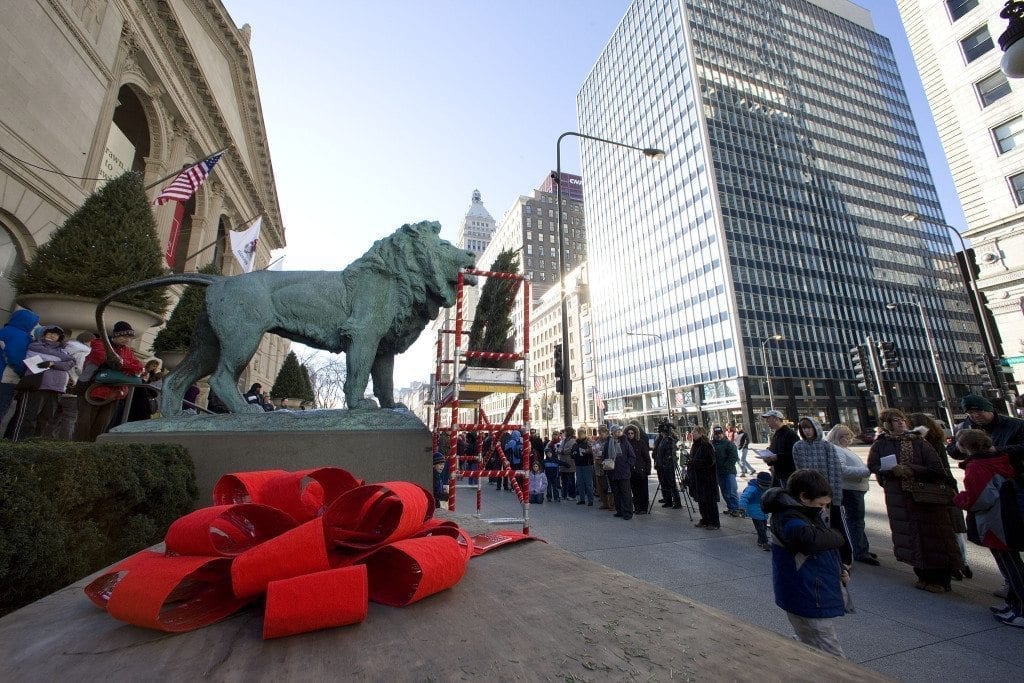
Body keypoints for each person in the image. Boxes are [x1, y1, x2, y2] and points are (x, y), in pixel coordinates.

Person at [868, 408, 962, 593]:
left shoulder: (919, 442)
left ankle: (941, 579)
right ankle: (922, 575)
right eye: (895, 421)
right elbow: (873, 465)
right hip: (899, 497)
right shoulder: (881, 444)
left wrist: (911, 469)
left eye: (902, 419)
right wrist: (890, 471)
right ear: (887, 425)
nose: (900, 423)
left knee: (934, 537)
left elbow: (937, 469)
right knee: (910, 536)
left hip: (925, 496)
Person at [762, 469, 849, 658]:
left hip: (810, 592)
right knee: (829, 651)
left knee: (811, 641)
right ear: (804, 497)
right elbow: (810, 540)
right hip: (807, 594)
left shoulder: (803, 512)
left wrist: (840, 569)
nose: (824, 509)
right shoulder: (789, 517)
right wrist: (838, 536)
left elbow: (820, 552)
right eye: (821, 504)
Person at [953, 429, 1024, 627]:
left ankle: (1021, 609)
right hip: (1008, 515)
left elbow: (979, 498)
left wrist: (960, 499)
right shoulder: (999, 458)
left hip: (995, 520)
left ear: (965, 446)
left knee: (1009, 563)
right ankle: (1013, 603)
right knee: (1010, 561)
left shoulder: (977, 466)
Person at [909, 412, 971, 579]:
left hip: (933, 489)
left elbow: (933, 468)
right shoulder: (935, 440)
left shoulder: (921, 443)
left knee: (945, 528)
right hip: (947, 486)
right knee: (954, 527)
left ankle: (956, 563)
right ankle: (962, 562)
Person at [793, 416, 852, 565]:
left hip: (829, 495)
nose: (807, 431)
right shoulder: (798, 447)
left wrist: (834, 496)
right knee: (818, 527)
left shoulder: (826, 446)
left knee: (837, 526)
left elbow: (835, 471)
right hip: (810, 496)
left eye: (809, 427)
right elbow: (800, 472)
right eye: (804, 428)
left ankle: (845, 558)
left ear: (816, 428)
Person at [73, 321, 144, 442]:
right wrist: (126, 366)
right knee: (84, 424)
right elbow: (111, 360)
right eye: (123, 336)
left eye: (129, 337)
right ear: (115, 335)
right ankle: (78, 450)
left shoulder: (127, 351)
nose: (127, 339)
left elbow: (139, 367)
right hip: (91, 389)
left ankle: (92, 451)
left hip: (113, 392)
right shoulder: (99, 344)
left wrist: (124, 365)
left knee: (101, 426)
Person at [8, 325, 75, 441]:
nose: (52, 336)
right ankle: (17, 445)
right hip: (36, 386)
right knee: (28, 418)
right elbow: (37, 364)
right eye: (49, 333)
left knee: (45, 420)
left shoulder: (63, 351)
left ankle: (33, 445)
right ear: (44, 334)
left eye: (56, 334)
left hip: (55, 389)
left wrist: (52, 363)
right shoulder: (35, 346)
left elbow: (70, 363)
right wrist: (57, 362)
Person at [825, 424, 878, 566]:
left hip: (854, 488)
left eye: (849, 436)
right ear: (838, 437)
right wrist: (866, 471)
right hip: (849, 489)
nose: (849, 439)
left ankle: (860, 546)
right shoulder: (837, 450)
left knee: (855, 520)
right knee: (855, 520)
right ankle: (859, 550)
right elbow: (841, 470)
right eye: (846, 436)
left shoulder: (843, 449)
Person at [950, 394, 1024, 474]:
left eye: (979, 411)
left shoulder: (1016, 425)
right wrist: (959, 447)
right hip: (981, 476)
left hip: (1013, 475)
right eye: (970, 412)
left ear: (989, 409)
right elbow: (952, 452)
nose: (976, 415)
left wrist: (995, 449)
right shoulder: (962, 428)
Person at [0, 308, 40, 434]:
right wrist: (24, 373)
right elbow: (15, 358)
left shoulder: (4, 331)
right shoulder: (20, 336)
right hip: (6, 378)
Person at [686, 426, 720, 529]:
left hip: (707, 479)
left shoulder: (706, 445)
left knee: (709, 502)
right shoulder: (695, 445)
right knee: (701, 501)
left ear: (701, 433)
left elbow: (710, 462)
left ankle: (713, 522)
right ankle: (705, 519)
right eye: (693, 433)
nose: (693, 434)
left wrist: (694, 462)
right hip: (698, 478)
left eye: (695, 433)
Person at [605, 424, 636, 520]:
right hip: (612, 471)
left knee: (626, 493)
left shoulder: (625, 442)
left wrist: (627, 465)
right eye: (616, 431)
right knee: (616, 493)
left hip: (623, 471)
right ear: (612, 433)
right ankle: (619, 511)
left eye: (619, 431)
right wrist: (605, 462)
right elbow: (605, 454)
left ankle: (628, 512)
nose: (618, 433)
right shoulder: (608, 442)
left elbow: (632, 456)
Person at [762, 410, 799, 487]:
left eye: (769, 419)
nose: (767, 421)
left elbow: (794, 454)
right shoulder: (776, 434)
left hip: (789, 474)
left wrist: (776, 457)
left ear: (776, 419)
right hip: (778, 473)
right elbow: (773, 450)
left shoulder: (790, 434)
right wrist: (768, 459)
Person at [712, 425, 740, 516]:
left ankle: (735, 509)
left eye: (720, 434)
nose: (718, 436)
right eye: (716, 434)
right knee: (725, 492)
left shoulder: (729, 444)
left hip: (728, 472)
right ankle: (730, 507)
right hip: (719, 472)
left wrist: (726, 466)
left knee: (732, 491)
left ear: (723, 433)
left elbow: (734, 457)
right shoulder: (712, 444)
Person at [740, 471, 773, 550]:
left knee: (763, 527)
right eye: (763, 485)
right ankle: (764, 543)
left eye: (767, 486)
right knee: (760, 528)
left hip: (763, 511)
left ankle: (760, 541)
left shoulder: (767, 488)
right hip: (754, 511)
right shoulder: (752, 489)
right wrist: (742, 508)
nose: (765, 487)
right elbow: (744, 498)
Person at [654, 420, 681, 509]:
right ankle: (668, 501)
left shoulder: (669, 439)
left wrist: (665, 464)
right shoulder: (662, 439)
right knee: (665, 483)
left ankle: (677, 502)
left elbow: (669, 453)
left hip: (668, 466)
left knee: (672, 484)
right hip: (662, 465)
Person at [625, 424, 651, 514]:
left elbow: (647, 458)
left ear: (635, 433)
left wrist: (647, 470)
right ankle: (637, 507)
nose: (630, 435)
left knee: (643, 490)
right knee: (634, 491)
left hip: (641, 470)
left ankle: (643, 508)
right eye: (628, 433)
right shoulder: (626, 444)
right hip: (631, 471)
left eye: (632, 433)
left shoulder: (641, 442)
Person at [571, 426, 595, 506]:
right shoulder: (576, 443)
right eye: (579, 433)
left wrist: (587, 451)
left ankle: (590, 500)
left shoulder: (588, 442)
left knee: (588, 483)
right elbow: (573, 452)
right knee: (580, 483)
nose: (580, 435)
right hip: (578, 464)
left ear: (585, 433)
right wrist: (574, 453)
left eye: (581, 433)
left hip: (587, 464)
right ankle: (582, 499)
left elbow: (593, 452)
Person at [594, 424, 614, 510]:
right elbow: (594, 449)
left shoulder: (610, 440)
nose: (600, 434)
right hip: (598, 467)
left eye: (602, 433)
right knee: (601, 486)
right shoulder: (598, 441)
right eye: (599, 433)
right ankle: (604, 503)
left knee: (608, 486)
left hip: (607, 466)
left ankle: (611, 504)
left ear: (606, 432)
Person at [559, 427, 577, 501]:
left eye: (565, 432)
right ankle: (564, 494)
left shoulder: (573, 441)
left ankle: (572, 495)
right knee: (564, 480)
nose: (564, 433)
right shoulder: (564, 440)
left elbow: (570, 449)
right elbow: (560, 447)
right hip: (563, 462)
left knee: (571, 479)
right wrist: (559, 450)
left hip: (570, 462)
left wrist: (562, 451)